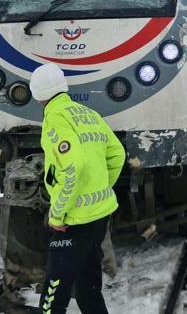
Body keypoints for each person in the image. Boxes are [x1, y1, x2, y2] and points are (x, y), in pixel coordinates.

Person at [30, 63, 126, 314]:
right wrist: (102, 188)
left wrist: (58, 213)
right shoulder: (88, 114)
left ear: (38, 94)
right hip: (98, 216)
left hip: (74, 220)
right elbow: (117, 154)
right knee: (88, 287)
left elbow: (72, 166)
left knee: (53, 298)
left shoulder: (55, 118)